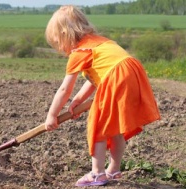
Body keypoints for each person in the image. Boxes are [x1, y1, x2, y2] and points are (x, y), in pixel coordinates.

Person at [44, 5, 160, 187]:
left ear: (66, 34)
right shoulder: (101, 42)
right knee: (114, 127)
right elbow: (92, 80)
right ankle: (113, 170)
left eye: (58, 42)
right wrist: (77, 101)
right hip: (133, 71)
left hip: (117, 76)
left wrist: (51, 115)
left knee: (98, 126)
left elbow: (64, 89)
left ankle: (97, 174)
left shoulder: (80, 52)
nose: (60, 48)